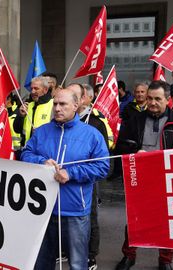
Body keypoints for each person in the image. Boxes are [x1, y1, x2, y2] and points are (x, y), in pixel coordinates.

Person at [22, 88, 109, 270]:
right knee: (41, 263)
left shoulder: (92, 135)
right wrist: (41, 161)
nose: (57, 108)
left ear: (76, 105)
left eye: (63, 104)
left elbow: (102, 167)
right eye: (55, 104)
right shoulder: (42, 132)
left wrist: (71, 174)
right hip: (43, 210)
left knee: (77, 264)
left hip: (75, 211)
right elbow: (26, 154)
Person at [115, 80, 173, 270]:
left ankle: (165, 260)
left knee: (168, 222)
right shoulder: (135, 120)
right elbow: (121, 145)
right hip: (140, 178)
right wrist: (136, 150)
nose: (152, 102)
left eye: (157, 99)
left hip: (168, 180)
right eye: (149, 98)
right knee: (134, 219)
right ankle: (129, 255)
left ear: (167, 100)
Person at [68, 83, 109, 270]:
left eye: (73, 96)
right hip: (64, 183)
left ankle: (90, 256)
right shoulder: (58, 123)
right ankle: (68, 251)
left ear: (83, 99)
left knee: (89, 217)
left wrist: (75, 172)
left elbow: (103, 163)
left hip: (86, 181)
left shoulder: (96, 123)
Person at [13, 76, 53, 146]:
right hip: (27, 150)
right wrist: (20, 116)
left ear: (45, 90)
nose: (32, 91)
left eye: (36, 88)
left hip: (44, 151)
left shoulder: (53, 105)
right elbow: (17, 129)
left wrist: (40, 132)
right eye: (31, 88)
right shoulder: (28, 105)